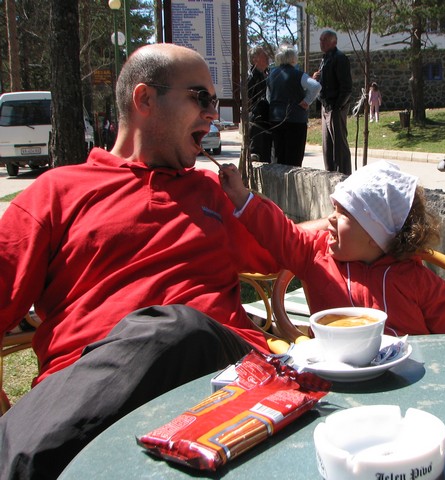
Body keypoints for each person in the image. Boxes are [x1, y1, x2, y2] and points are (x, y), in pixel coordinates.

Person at [0, 43, 279, 479]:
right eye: (201, 98)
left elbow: (290, 245)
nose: (213, 114)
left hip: (226, 378)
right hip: (87, 405)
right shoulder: (57, 192)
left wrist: (365, 219)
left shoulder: (212, 194)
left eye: (215, 102)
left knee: (179, 329)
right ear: (145, 99)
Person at [221, 160, 445, 336]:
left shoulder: (419, 282)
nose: (330, 218)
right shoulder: (315, 257)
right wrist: (243, 199)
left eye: (344, 213)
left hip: (407, 380)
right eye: (334, 208)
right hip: (335, 378)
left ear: (375, 236)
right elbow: (281, 235)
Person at [267, 45, 321, 167]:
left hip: (276, 120)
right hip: (296, 120)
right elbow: (316, 86)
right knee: (294, 160)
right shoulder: (298, 74)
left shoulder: (272, 75)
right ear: (293, 58)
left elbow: (269, 97)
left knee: (278, 158)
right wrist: (307, 101)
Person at [312, 30, 353, 175]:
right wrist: (316, 78)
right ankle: (330, 175)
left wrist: (337, 107)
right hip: (326, 106)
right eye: (321, 40)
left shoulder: (339, 58)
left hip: (335, 107)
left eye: (325, 40)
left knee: (339, 147)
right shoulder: (325, 59)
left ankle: (344, 176)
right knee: (327, 147)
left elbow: (346, 88)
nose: (321, 43)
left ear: (333, 42)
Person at [247, 46, 272, 163]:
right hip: (257, 124)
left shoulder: (266, 74)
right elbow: (249, 102)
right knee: (257, 158)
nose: (267, 57)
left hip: (266, 122)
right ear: (255, 59)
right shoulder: (252, 77)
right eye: (263, 55)